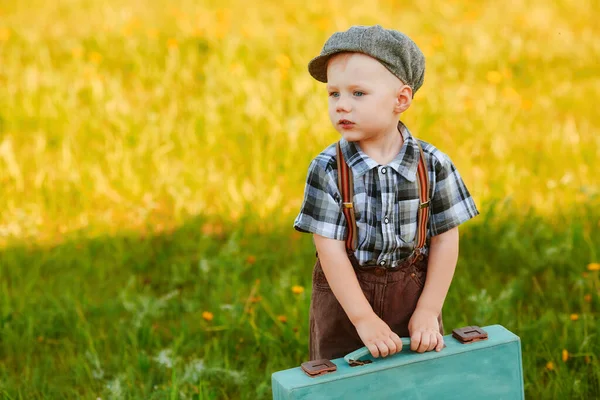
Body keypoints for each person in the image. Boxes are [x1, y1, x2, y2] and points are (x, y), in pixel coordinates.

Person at [293, 25, 480, 361]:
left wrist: (428, 309)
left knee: (414, 377)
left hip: (412, 296)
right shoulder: (328, 168)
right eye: (334, 94)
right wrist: (363, 319)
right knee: (341, 381)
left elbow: (445, 239)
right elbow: (329, 250)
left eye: (358, 93)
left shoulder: (434, 164)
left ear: (401, 99)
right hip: (345, 301)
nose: (342, 106)